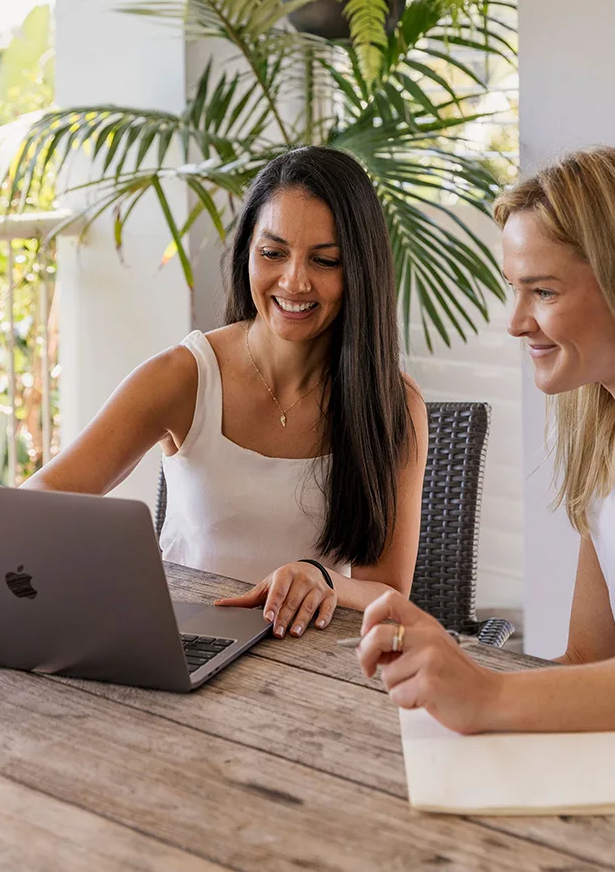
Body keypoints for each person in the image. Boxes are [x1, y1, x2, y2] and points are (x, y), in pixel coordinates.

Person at [356, 146, 615, 732]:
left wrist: (493, 699)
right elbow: (588, 661)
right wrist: (461, 670)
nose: (515, 321)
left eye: (544, 292)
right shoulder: (603, 434)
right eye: (515, 287)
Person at [24, 146, 428, 639]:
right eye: (272, 253)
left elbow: (388, 592)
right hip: (178, 643)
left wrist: (323, 579)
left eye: (325, 260)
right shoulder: (185, 376)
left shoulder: (392, 406)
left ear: (360, 271)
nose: (294, 281)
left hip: (310, 663)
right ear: (247, 253)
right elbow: (36, 501)